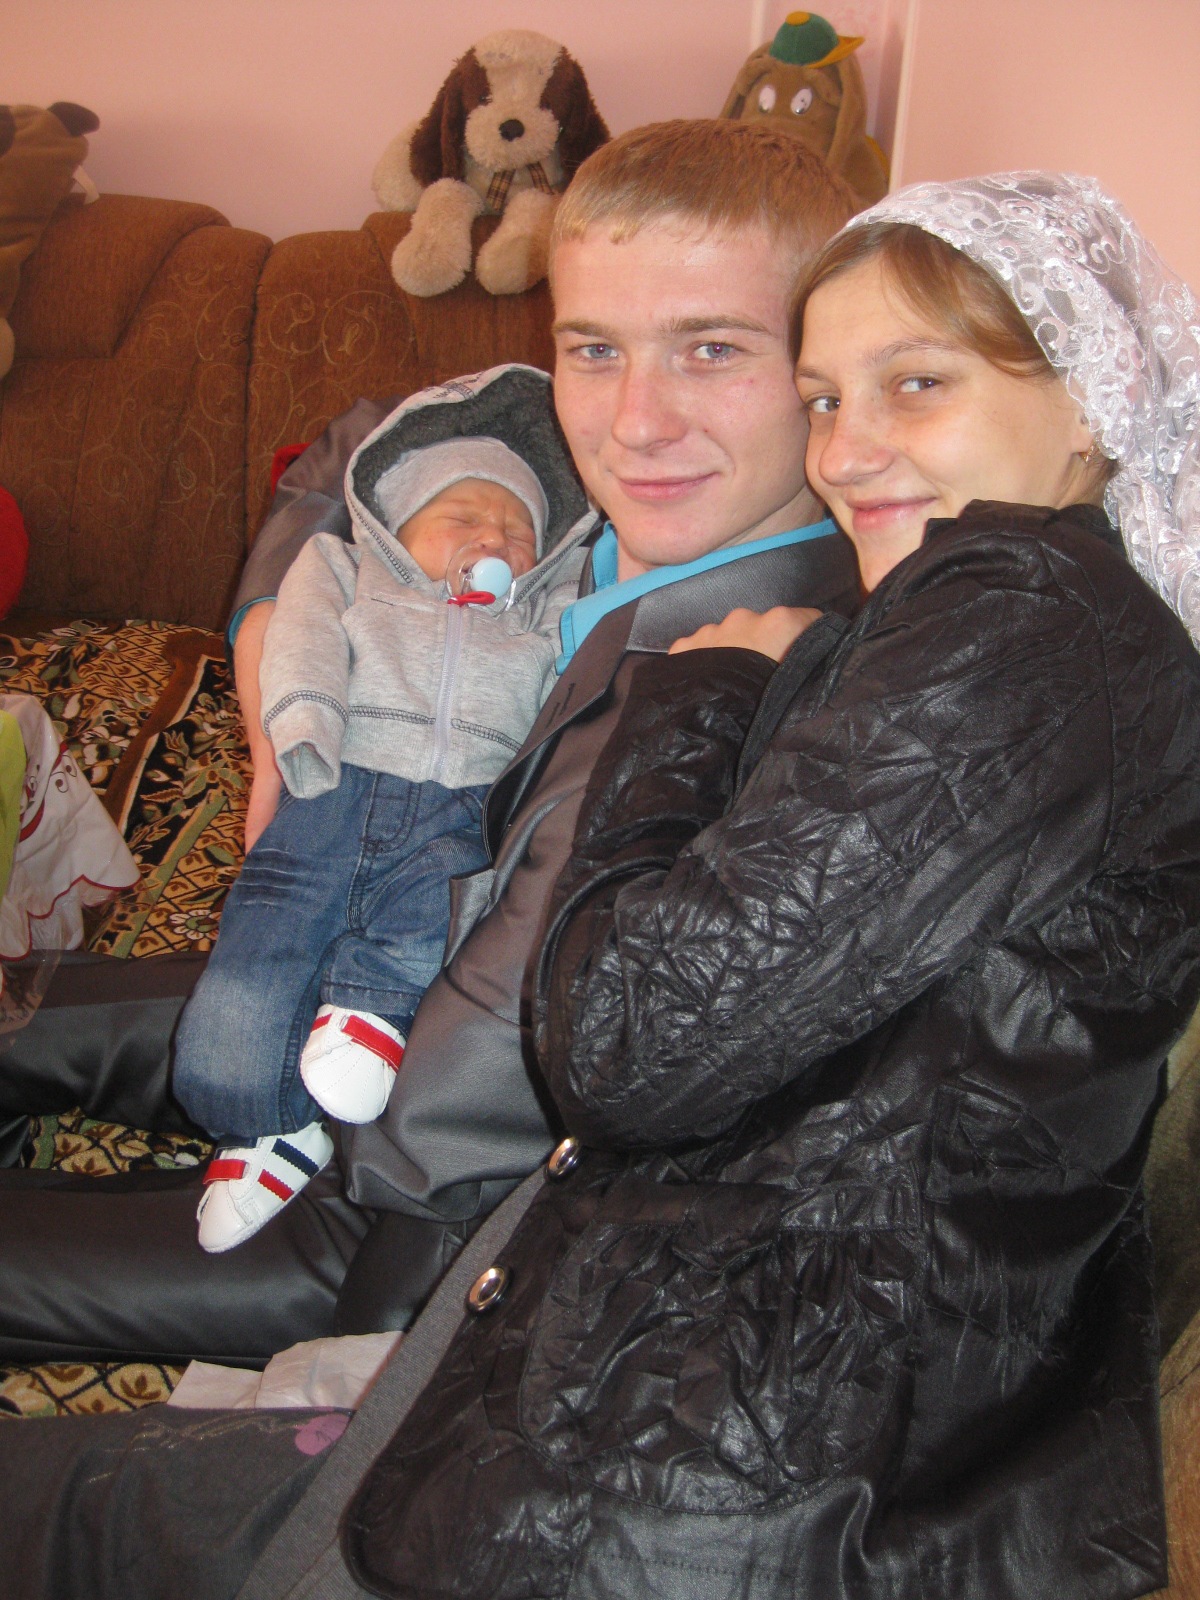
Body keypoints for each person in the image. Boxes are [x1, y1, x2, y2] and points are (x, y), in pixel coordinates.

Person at [0, 122, 859, 1367]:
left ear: (824, 371)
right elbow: (356, 443)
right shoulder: (592, 504)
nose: (634, 423)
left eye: (712, 349)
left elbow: (468, 1105)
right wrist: (269, 652)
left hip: (410, 1210)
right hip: (363, 967)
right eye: (594, 347)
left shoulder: (767, 680)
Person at [172, 375, 596, 1253]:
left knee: (435, 912)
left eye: (519, 531)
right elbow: (303, 638)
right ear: (393, 530)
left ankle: (369, 1010)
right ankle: (263, 1129)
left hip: (464, 803)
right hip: (335, 783)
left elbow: (570, 689)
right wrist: (301, 727)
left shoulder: (547, 609)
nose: (496, 539)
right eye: (464, 516)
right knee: (262, 942)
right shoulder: (349, 570)